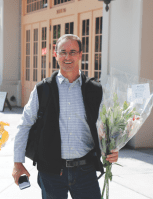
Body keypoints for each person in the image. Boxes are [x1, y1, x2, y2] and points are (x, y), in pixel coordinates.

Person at [12, 34, 119, 199]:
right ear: (55, 55)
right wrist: (18, 163)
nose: (67, 57)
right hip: (51, 172)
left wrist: (112, 149)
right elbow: (24, 124)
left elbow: (106, 125)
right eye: (63, 52)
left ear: (81, 55)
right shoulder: (43, 89)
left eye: (73, 52)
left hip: (86, 171)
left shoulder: (95, 90)